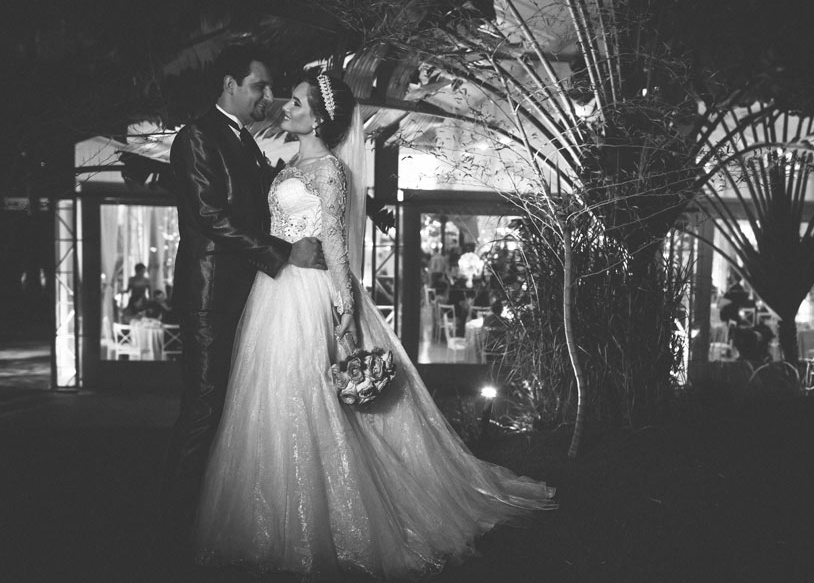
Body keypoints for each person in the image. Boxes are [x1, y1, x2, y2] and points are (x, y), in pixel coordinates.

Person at [194, 70, 556, 579]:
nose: (286, 108)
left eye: (296, 102)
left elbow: (336, 244)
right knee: (270, 396)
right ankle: (267, 521)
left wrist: (344, 310)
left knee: (311, 397)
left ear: (319, 118)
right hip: (273, 291)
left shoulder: (330, 171)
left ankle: (322, 520)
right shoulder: (290, 165)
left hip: (309, 294)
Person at [159, 44, 327, 562]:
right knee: (205, 407)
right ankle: (175, 531)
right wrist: (285, 253)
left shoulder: (243, 139)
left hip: (247, 293)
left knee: (232, 409)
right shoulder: (196, 137)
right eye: (259, 86)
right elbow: (211, 216)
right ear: (229, 84)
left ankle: (215, 517)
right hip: (210, 296)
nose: (268, 96)